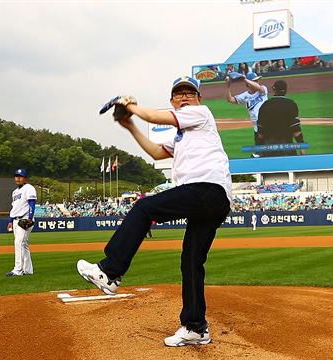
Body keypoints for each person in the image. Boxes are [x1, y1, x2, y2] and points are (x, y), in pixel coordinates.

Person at [77, 75, 232, 347]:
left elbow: (154, 117)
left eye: (190, 93)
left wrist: (129, 104)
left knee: (145, 207)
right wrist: (129, 126)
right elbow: (157, 153)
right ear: (172, 99)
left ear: (199, 99)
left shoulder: (201, 114)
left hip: (208, 189)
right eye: (178, 94)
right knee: (191, 261)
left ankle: (110, 271)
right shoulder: (185, 135)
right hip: (209, 199)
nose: (184, 97)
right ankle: (196, 327)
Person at [257, 80, 306, 157]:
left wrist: (259, 149)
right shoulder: (291, 104)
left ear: (274, 89)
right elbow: (295, 129)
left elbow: (260, 132)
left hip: (269, 147)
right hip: (287, 147)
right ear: (286, 90)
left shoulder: (265, 105)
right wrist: (302, 147)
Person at [226, 72, 268, 157]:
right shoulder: (245, 96)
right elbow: (230, 99)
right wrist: (228, 86)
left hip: (268, 125)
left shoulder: (262, 90)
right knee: (260, 152)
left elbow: (258, 87)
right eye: (255, 81)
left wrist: (244, 79)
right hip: (257, 128)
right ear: (248, 84)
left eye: (258, 80)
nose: (258, 82)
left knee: (269, 150)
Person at [6, 168, 37, 277]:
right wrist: (10, 221)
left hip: (24, 219)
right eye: (16, 176)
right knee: (23, 244)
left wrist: (30, 217)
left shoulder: (29, 188)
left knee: (18, 243)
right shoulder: (14, 192)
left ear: (25, 178)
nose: (18, 178)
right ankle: (28, 270)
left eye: (20, 176)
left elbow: (32, 203)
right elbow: (14, 208)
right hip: (15, 220)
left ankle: (17, 270)